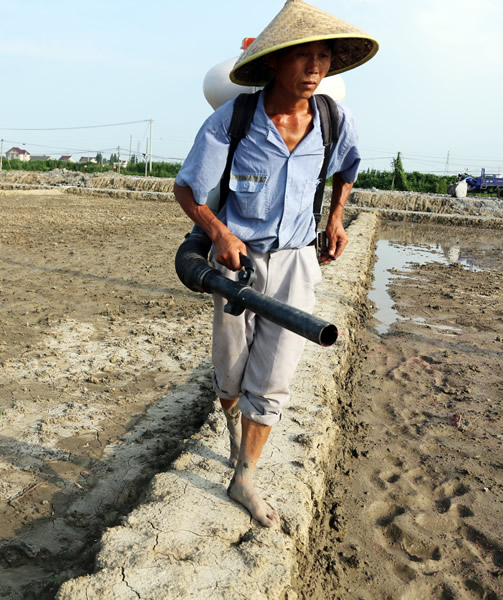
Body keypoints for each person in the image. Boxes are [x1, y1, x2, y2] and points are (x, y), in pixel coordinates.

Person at [173, 0, 378, 527]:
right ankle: (228, 412)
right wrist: (217, 232)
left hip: (296, 264)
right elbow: (187, 188)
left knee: (274, 373)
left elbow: (348, 168)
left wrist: (336, 218)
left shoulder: (333, 119)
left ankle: (244, 475)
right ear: (272, 63)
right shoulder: (233, 120)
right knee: (231, 370)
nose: (315, 69)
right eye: (303, 57)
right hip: (238, 264)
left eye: (324, 57)